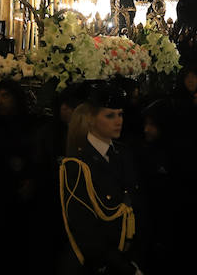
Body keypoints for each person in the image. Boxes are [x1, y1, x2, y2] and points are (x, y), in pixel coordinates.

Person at [59, 84, 144, 275]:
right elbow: (85, 230)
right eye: (109, 115)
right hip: (99, 265)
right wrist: (124, 268)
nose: (118, 121)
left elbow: (136, 205)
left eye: (120, 115)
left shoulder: (124, 153)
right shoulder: (77, 165)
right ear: (91, 120)